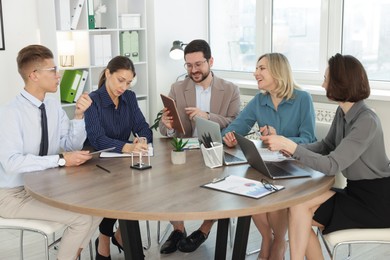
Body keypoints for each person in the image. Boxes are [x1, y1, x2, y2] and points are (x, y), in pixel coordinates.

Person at [261, 54, 390, 260]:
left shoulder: (366, 121)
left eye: (326, 79)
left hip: (376, 201)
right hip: (356, 191)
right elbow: (326, 145)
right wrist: (287, 147)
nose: (322, 84)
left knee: (300, 211)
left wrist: (293, 147)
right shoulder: (343, 113)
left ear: (341, 83)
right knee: (297, 205)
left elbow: (331, 165)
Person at [0, 44, 102, 260]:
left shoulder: (53, 106)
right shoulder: (10, 113)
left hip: (46, 187)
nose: (59, 76)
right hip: (12, 195)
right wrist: (61, 160)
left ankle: (70, 254)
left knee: (100, 207)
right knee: (82, 220)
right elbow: (12, 163)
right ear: (34, 75)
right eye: (53, 70)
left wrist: (79, 116)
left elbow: (71, 146)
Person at [222, 53, 316, 260]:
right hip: (267, 165)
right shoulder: (259, 100)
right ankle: (267, 238)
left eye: (261, 68)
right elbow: (236, 128)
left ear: (278, 71)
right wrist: (229, 137)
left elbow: (309, 140)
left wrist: (281, 140)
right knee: (250, 190)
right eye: (256, 68)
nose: (255, 73)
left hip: (296, 166)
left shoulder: (303, 99)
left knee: (274, 196)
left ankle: (280, 242)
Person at [158, 39, 241, 254]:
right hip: (184, 151)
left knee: (220, 188)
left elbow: (236, 122)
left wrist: (208, 116)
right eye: (188, 65)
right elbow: (164, 126)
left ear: (210, 61)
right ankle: (178, 229)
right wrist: (166, 126)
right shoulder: (178, 88)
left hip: (216, 151)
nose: (193, 70)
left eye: (198, 64)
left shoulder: (230, 89)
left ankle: (204, 230)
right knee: (168, 183)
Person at [84, 55, 152, 260]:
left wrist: (141, 140)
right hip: (96, 163)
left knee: (141, 185)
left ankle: (120, 235)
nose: (124, 86)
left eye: (129, 82)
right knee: (118, 190)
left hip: (122, 161)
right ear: (108, 74)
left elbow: (143, 127)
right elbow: (96, 138)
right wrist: (127, 146)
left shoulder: (129, 98)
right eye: (120, 80)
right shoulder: (93, 100)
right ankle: (106, 239)